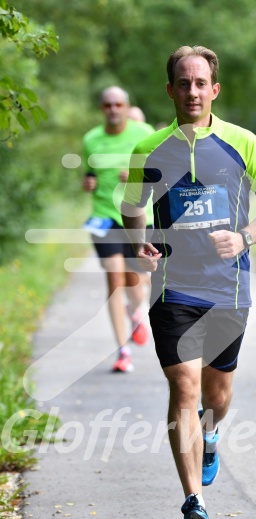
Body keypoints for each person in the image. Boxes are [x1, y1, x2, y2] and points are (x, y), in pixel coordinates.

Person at [121, 46, 256, 519]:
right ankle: (194, 505)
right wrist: (139, 243)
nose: (192, 91)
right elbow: (133, 208)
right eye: (183, 83)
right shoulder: (148, 149)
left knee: (215, 397)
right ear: (170, 89)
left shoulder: (243, 143)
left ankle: (210, 436)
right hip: (173, 289)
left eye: (201, 83)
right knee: (185, 390)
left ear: (214, 89)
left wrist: (245, 237)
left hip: (229, 289)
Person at [82, 86, 154, 373]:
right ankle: (123, 351)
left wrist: (139, 174)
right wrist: (87, 184)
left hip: (136, 216)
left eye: (118, 104)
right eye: (108, 105)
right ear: (102, 108)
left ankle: (136, 312)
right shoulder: (91, 139)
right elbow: (89, 176)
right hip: (104, 217)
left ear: (126, 107)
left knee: (136, 280)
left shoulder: (143, 133)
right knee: (114, 281)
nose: (113, 109)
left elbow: (161, 171)